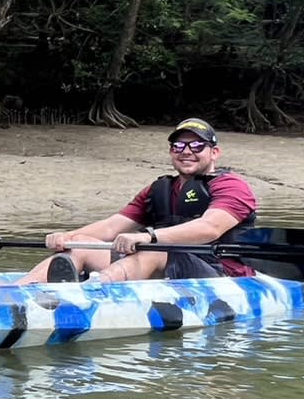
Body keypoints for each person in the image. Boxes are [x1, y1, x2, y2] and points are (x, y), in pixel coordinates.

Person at [16, 118, 258, 285]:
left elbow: (210, 228)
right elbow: (112, 227)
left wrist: (149, 237)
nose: (186, 151)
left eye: (196, 145)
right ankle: (16, 289)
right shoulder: (159, 189)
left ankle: (92, 290)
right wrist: (66, 236)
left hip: (221, 276)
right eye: (178, 145)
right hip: (163, 265)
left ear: (214, 152)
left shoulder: (231, 186)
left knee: (154, 250)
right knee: (80, 244)